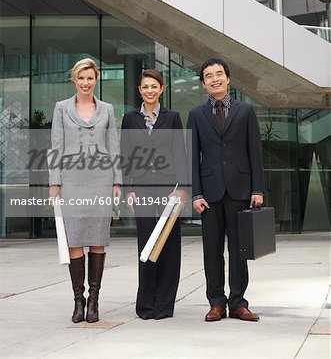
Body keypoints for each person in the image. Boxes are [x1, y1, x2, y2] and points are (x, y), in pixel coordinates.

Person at [187, 58, 264, 322]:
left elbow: (255, 153)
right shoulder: (196, 115)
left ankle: (239, 303)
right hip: (209, 194)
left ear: (228, 79)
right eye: (209, 76)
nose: (215, 79)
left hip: (240, 190)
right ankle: (216, 303)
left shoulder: (245, 111)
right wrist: (196, 194)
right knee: (212, 250)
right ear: (203, 83)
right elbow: (192, 157)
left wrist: (257, 189)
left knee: (239, 250)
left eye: (219, 74)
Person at [49, 58, 122, 323]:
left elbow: (113, 147)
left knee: (98, 240)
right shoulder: (61, 108)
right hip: (71, 181)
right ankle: (78, 301)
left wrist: (117, 182)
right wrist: (54, 183)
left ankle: (94, 301)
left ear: (96, 79)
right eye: (81, 78)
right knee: (75, 241)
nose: (85, 83)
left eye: (90, 78)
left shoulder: (107, 108)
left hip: (101, 180)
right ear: (74, 80)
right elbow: (56, 146)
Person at [121, 69, 187, 320]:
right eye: (145, 87)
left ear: (162, 89)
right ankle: (146, 305)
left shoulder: (172, 118)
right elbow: (125, 155)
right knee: (146, 245)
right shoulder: (129, 119)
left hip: (169, 189)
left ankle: (164, 306)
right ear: (140, 90)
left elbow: (180, 153)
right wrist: (129, 190)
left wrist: (182, 189)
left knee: (170, 245)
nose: (149, 91)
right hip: (142, 189)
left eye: (154, 86)